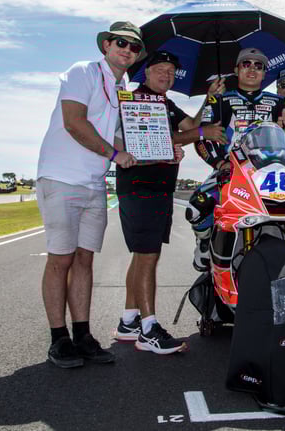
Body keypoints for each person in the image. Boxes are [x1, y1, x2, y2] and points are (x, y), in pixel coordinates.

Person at [35, 21, 143, 368]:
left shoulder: (124, 85)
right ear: (107, 45)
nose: (128, 50)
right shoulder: (82, 71)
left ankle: (82, 334)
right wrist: (115, 156)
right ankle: (58, 339)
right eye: (122, 43)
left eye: (135, 47)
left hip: (94, 183)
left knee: (84, 259)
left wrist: (155, 148)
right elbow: (74, 122)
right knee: (61, 259)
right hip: (62, 177)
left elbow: (116, 138)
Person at [112, 51, 227, 354]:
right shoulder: (135, 99)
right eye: (160, 70)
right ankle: (149, 329)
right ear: (146, 73)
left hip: (160, 187)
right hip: (140, 186)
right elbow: (157, 136)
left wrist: (209, 99)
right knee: (147, 255)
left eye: (171, 72)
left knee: (144, 255)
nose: (166, 76)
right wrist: (199, 134)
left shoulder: (166, 102)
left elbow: (190, 125)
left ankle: (129, 320)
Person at [187, 47, 285, 271]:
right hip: (231, 172)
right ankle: (204, 241)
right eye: (246, 64)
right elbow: (200, 140)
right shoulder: (219, 102)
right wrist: (220, 163)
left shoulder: (279, 104)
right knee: (196, 209)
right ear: (236, 70)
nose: (252, 69)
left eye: (259, 66)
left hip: (271, 175)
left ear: (265, 73)